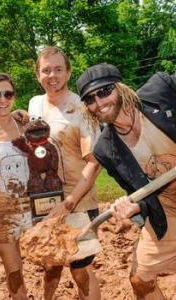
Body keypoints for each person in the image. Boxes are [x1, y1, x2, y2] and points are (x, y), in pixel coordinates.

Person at [53, 63, 176, 300]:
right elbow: (140, 192)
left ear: (120, 87)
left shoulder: (161, 90)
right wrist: (136, 206)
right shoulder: (106, 150)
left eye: (104, 91)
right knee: (140, 280)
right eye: (90, 99)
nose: (99, 102)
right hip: (169, 211)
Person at [28, 46, 101, 300]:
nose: (52, 75)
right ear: (38, 74)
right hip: (46, 202)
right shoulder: (35, 103)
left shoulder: (83, 108)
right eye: (46, 70)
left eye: (58, 69)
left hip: (78, 202)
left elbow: (95, 163)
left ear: (68, 72)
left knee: (82, 270)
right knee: (51, 264)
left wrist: (69, 204)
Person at [0, 73, 32, 300]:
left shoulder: (27, 125)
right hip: (0, 215)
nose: (2, 99)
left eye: (8, 94)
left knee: (51, 263)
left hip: (30, 208)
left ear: (14, 97)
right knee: (15, 272)